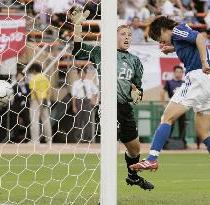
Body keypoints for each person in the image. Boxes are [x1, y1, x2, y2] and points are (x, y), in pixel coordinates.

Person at [130, 16, 210, 190]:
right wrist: (170, 49)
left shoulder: (177, 29)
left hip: (198, 77)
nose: (160, 41)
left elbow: (199, 38)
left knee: (166, 117)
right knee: (203, 131)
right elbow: (187, 43)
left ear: (164, 29)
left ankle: (152, 159)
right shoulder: (179, 38)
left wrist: (204, 62)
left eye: (159, 37)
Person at [71, 7, 154, 190]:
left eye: (129, 35)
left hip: (124, 108)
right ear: (114, 36)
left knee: (135, 148)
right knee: (110, 146)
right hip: (108, 106)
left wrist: (137, 93)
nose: (127, 37)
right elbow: (77, 51)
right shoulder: (102, 52)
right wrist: (78, 26)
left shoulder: (135, 61)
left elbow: (138, 87)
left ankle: (132, 177)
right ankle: (105, 190)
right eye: (123, 33)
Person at [160, 65, 186, 147]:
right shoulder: (169, 83)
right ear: (174, 73)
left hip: (182, 107)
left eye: (181, 72)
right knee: (169, 125)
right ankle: (167, 143)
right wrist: (164, 104)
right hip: (172, 107)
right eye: (177, 71)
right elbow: (162, 92)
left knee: (182, 125)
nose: (179, 73)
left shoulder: (184, 83)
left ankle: (182, 143)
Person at [71, 68, 99, 142]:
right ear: (78, 74)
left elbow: (95, 91)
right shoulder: (76, 83)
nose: (82, 75)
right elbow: (74, 95)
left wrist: (93, 100)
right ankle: (78, 138)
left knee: (88, 120)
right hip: (79, 101)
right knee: (79, 121)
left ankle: (88, 138)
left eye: (83, 73)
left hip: (88, 102)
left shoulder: (89, 82)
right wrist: (74, 106)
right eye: (80, 73)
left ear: (86, 74)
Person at [29, 63, 52, 144]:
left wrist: (39, 103)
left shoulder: (34, 78)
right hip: (45, 100)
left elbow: (34, 91)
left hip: (36, 101)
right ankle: (49, 140)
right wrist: (47, 101)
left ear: (34, 70)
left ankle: (35, 140)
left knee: (34, 121)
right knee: (46, 121)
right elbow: (49, 91)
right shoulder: (45, 78)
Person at [11, 72, 31, 142]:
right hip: (16, 108)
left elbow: (29, 95)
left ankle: (28, 138)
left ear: (23, 77)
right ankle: (16, 139)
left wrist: (21, 95)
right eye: (18, 76)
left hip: (25, 107)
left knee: (28, 122)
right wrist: (22, 95)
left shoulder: (27, 86)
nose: (19, 77)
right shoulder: (14, 87)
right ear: (16, 78)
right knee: (15, 124)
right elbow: (14, 96)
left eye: (21, 76)